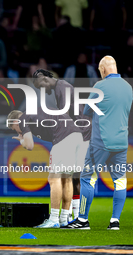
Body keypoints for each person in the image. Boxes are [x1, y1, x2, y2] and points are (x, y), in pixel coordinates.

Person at [63, 56, 133, 230]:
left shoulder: (99, 87)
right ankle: (115, 221)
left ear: (102, 70)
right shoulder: (128, 87)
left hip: (100, 142)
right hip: (121, 142)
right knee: (120, 181)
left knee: (87, 179)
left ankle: (83, 220)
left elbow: (87, 112)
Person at [7, 108, 84, 228]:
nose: (17, 132)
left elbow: (30, 145)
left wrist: (22, 140)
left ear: (15, 121)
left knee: (54, 178)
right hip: (77, 136)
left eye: (14, 129)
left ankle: (53, 219)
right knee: (66, 178)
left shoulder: (23, 118)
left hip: (65, 138)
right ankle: (64, 218)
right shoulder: (35, 114)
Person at [32, 68, 92, 220]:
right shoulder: (62, 87)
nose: (42, 91)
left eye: (40, 86)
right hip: (81, 132)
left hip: (81, 133)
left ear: (44, 79)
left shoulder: (62, 88)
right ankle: (73, 214)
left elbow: (65, 115)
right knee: (72, 175)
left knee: (75, 176)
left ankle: (77, 215)